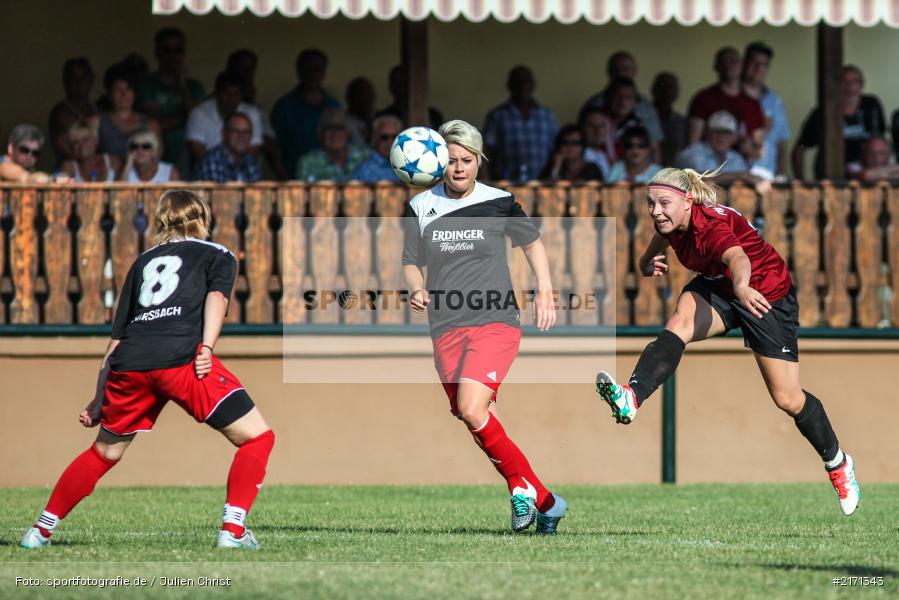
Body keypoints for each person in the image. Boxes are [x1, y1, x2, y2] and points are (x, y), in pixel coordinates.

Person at [594, 167, 860, 518]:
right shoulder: (674, 222)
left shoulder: (711, 228)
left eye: (664, 203)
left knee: (787, 398)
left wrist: (742, 287)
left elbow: (737, 257)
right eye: (650, 203)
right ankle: (631, 396)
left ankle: (838, 463)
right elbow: (664, 237)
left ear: (688, 201)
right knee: (680, 322)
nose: (656, 211)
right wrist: (644, 261)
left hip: (764, 296)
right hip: (720, 287)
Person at [19, 189, 275, 550]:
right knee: (257, 437)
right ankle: (232, 532)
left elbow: (118, 337)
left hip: (132, 364)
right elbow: (217, 298)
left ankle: (38, 532)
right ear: (202, 218)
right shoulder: (218, 254)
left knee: (103, 453)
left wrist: (99, 397)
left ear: (160, 221)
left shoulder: (142, 262)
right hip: (182, 360)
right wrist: (206, 346)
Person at [402, 119, 568, 534]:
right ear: (439, 162)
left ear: (479, 160)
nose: (459, 168)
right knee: (474, 417)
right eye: (452, 160)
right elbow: (410, 261)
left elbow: (532, 244)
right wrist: (416, 287)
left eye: (467, 160)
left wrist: (545, 291)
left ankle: (519, 489)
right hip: (445, 327)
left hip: (495, 321)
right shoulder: (421, 206)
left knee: (472, 408)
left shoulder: (500, 202)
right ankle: (547, 501)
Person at [793, 65, 885, 180]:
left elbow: (881, 140)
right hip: (831, 176)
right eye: (844, 82)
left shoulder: (871, 105)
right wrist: (801, 181)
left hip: (868, 176)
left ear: (862, 85)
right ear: (836, 85)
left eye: (855, 81)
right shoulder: (823, 112)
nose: (850, 87)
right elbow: (801, 147)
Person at [136, 28, 206, 171]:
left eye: (178, 50)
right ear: (157, 53)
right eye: (167, 50)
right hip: (156, 158)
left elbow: (198, 123)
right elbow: (154, 124)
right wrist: (186, 118)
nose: (173, 56)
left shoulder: (195, 87)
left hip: (189, 161)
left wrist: (183, 85)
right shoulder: (146, 85)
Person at [580, 51, 664, 161]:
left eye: (625, 69)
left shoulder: (646, 107)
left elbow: (655, 147)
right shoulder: (595, 104)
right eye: (616, 69)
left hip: (639, 168)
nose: (620, 73)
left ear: (634, 71)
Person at [270, 48, 341, 179]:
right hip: (295, 180)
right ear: (298, 71)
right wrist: (287, 183)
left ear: (324, 72)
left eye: (317, 69)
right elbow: (274, 152)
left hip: (330, 180)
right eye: (307, 69)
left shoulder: (334, 105)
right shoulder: (284, 107)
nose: (312, 74)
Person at [482, 66, 558, 181]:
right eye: (518, 81)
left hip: (542, 184)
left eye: (526, 81)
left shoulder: (547, 116)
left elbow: (555, 150)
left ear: (533, 85)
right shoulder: (497, 116)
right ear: (509, 85)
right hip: (506, 184)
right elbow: (488, 152)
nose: (522, 85)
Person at [687, 47, 765, 153]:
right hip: (708, 162)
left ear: (742, 65)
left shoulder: (753, 105)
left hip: (740, 163)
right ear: (716, 66)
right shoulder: (702, 99)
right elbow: (692, 145)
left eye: (733, 61)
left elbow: (758, 150)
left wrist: (748, 148)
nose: (728, 66)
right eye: (723, 62)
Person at [186, 71, 267, 167]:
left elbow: (253, 152)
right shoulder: (198, 114)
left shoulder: (252, 114)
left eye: (236, 93)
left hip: (242, 169)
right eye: (226, 92)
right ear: (216, 93)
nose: (231, 98)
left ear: (241, 95)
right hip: (208, 169)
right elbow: (199, 155)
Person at [677, 111, 767, 191]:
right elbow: (697, 177)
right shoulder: (692, 153)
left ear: (735, 137)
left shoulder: (736, 158)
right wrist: (740, 176)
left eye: (727, 132)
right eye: (716, 131)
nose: (721, 137)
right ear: (707, 133)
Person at [741, 42, 790, 180]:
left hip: (767, 177)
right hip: (736, 178)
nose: (759, 68)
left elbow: (781, 143)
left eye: (764, 65)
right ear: (744, 63)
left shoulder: (774, 101)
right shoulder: (732, 95)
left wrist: (781, 176)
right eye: (755, 63)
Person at [98, 62, 162, 163]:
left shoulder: (151, 124)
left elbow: (156, 158)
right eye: (118, 89)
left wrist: (137, 129)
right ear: (109, 94)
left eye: (128, 89)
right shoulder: (97, 122)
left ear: (134, 93)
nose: (124, 94)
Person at [48, 58, 99, 164]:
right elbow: (77, 154)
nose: (79, 82)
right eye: (73, 78)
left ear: (91, 79)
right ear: (65, 81)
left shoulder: (96, 108)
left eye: (83, 77)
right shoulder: (61, 113)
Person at [295, 108, 368, 182]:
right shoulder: (309, 163)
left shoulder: (364, 156)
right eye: (328, 128)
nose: (334, 133)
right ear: (320, 134)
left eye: (339, 128)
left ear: (348, 132)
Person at [194, 112, 261, 183]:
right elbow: (217, 190)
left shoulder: (250, 160)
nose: (242, 136)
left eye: (246, 132)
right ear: (223, 133)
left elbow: (258, 189)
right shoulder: (212, 161)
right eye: (235, 131)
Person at [602, 78, 659, 160]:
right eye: (617, 96)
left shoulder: (639, 125)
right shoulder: (598, 122)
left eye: (628, 97)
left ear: (634, 102)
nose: (622, 101)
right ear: (609, 98)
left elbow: (653, 152)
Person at [375, 64, 444, 130]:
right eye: (397, 83)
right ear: (391, 87)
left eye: (404, 82)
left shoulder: (433, 116)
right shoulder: (383, 117)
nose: (401, 87)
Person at [538, 124, 603, 181]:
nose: (570, 147)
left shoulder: (592, 169)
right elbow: (544, 187)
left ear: (583, 146)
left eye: (575, 143)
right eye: (565, 142)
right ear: (559, 146)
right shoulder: (552, 166)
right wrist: (556, 168)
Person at [350, 114, 402, 182]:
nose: (390, 142)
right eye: (384, 137)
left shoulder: (406, 166)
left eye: (394, 137)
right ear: (375, 138)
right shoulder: (364, 170)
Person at [651, 72, 686, 167]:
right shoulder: (643, 118)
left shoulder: (681, 122)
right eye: (663, 86)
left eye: (672, 87)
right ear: (654, 90)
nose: (667, 91)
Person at [580, 107, 614, 179]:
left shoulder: (603, 155)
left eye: (601, 125)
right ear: (582, 128)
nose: (598, 130)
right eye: (591, 126)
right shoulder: (578, 156)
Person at [345, 77, 376, 146]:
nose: (364, 99)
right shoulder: (344, 122)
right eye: (360, 95)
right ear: (350, 98)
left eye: (368, 94)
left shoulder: (380, 119)